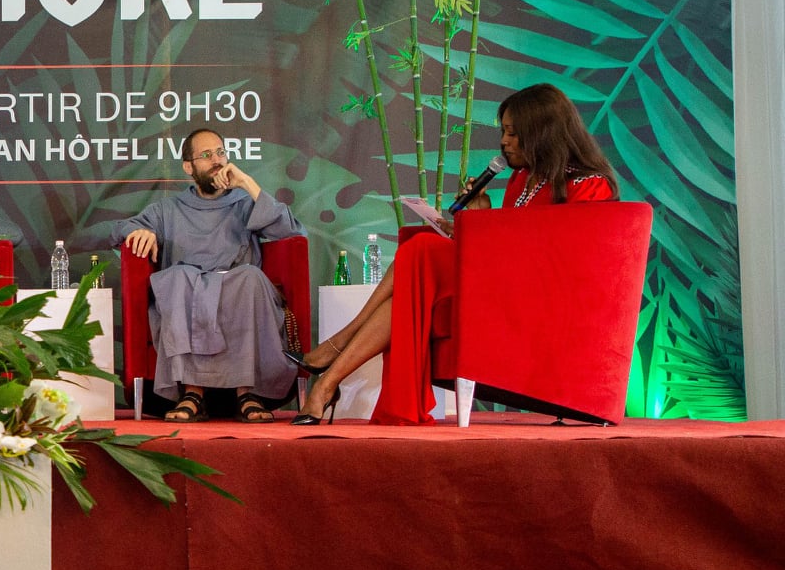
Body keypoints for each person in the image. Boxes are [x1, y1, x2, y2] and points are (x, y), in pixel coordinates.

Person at [296, 83, 619, 426]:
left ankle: (337, 350)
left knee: (421, 249)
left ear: (543, 134)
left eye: (513, 134)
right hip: (499, 288)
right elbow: (508, 247)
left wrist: (484, 229)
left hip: (540, 302)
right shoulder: (522, 179)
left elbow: (557, 261)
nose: (504, 142)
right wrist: (475, 223)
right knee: (416, 263)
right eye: (504, 132)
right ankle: (327, 385)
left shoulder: (588, 185)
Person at [115, 128, 306, 422]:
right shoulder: (168, 209)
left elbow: (292, 231)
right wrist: (139, 231)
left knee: (250, 277)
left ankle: (248, 393)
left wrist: (247, 183)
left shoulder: (244, 203)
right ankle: (192, 393)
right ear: (188, 167)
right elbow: (119, 230)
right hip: (188, 291)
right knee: (177, 278)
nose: (216, 160)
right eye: (206, 155)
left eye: (220, 153)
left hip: (236, 289)